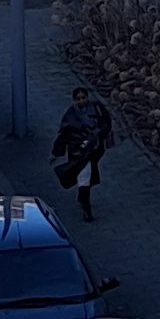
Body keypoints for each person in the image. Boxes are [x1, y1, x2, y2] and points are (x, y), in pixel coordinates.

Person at [51, 88, 116, 222]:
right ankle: (86, 208)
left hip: (94, 150)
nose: (81, 100)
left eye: (83, 97)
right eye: (78, 98)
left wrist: (98, 134)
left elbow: (106, 124)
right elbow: (64, 134)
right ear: (75, 100)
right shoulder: (71, 115)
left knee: (87, 175)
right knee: (84, 176)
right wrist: (55, 153)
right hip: (78, 152)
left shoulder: (97, 108)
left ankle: (83, 197)